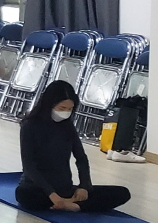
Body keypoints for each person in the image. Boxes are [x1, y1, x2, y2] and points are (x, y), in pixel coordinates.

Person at [16, 80, 131, 212]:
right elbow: (29, 166)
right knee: (25, 196)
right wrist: (51, 194)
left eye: (70, 109)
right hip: (38, 189)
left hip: (65, 189)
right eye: (62, 108)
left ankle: (72, 205)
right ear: (49, 105)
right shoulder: (30, 125)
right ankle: (68, 204)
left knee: (122, 193)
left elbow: (81, 158)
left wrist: (84, 186)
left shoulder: (67, 126)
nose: (66, 112)